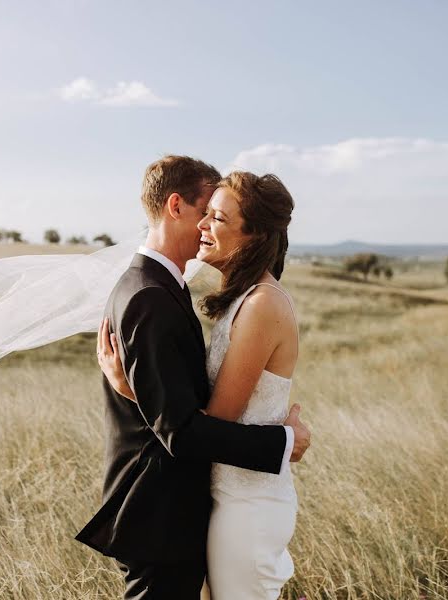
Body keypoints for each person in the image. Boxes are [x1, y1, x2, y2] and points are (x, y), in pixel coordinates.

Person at [76, 156, 311, 599]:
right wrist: (282, 442)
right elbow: (184, 427)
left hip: (227, 506)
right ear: (176, 206)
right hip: (167, 511)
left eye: (217, 217)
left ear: (253, 235)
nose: (206, 224)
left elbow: (195, 418)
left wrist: (138, 394)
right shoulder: (151, 293)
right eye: (206, 211)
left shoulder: (233, 298)